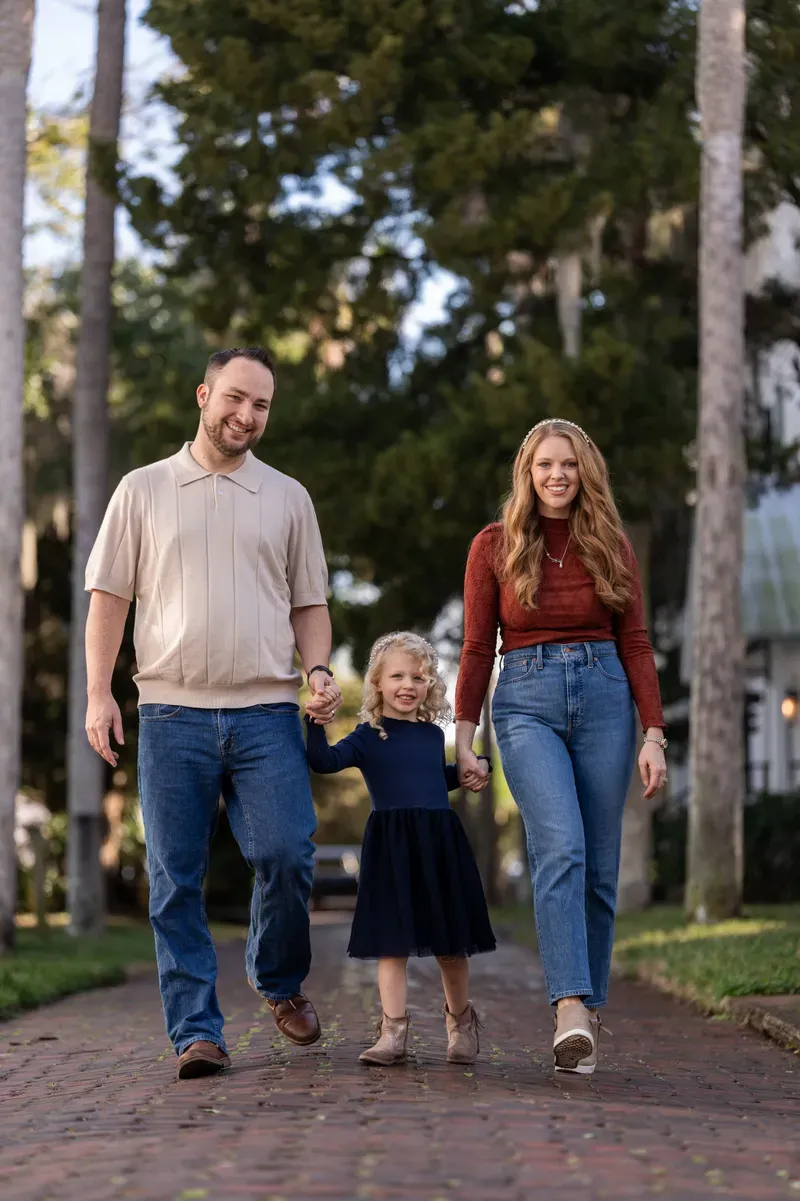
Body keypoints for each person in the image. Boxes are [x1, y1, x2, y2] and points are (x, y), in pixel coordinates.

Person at [84, 346, 341, 1080]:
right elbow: (109, 598)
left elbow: (310, 604)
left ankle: (277, 977)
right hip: (171, 714)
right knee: (174, 878)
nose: (246, 415)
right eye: (234, 398)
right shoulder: (143, 489)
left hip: (266, 710)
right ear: (203, 394)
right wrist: (100, 692)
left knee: (288, 853)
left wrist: (318, 668)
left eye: (261, 405)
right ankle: (197, 1030)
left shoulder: (288, 497)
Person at [455, 418, 667, 1077]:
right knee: (562, 847)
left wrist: (654, 732)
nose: (556, 474)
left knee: (601, 867)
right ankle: (569, 1005)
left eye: (568, 464)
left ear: (585, 473)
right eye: (545, 463)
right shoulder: (494, 545)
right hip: (524, 700)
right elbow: (474, 646)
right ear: (527, 471)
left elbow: (635, 641)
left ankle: (587, 1013)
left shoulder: (610, 543)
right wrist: (463, 737)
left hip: (606, 694)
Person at [305, 631, 496, 1066]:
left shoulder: (432, 736)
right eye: (397, 676)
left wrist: (475, 766)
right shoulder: (368, 736)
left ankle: (460, 1024)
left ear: (430, 685)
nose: (408, 684)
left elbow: (436, 775)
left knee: (452, 943)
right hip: (392, 848)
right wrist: (314, 723)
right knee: (391, 943)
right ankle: (393, 1032)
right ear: (377, 683)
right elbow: (323, 762)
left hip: (438, 842)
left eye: (419, 676)